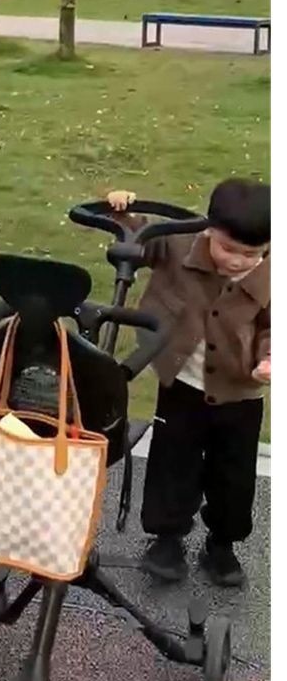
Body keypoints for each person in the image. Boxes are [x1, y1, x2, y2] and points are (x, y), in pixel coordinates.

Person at [106, 180, 270, 588]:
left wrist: (268, 357)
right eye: (229, 249)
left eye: (251, 254)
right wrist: (124, 212)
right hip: (181, 382)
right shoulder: (178, 244)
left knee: (233, 474)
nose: (239, 261)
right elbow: (140, 239)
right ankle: (167, 538)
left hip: (240, 391)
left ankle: (222, 543)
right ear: (209, 229)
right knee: (172, 461)